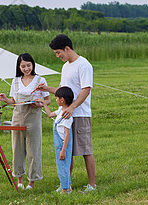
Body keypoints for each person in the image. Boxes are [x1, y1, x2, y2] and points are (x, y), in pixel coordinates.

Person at [36, 34, 96, 192]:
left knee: (85, 150)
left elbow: (86, 89)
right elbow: (62, 90)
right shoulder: (65, 66)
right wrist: (46, 89)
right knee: (66, 150)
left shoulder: (83, 65)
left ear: (67, 48)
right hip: (66, 115)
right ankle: (66, 184)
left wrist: (72, 107)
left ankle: (92, 185)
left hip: (80, 114)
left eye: (58, 52)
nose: (58, 56)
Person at [0, 53, 51, 190]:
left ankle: (31, 181)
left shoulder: (40, 80)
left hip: (33, 118)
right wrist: (5, 99)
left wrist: (39, 104)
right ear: (19, 67)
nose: (26, 68)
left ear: (33, 65)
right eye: (23, 66)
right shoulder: (15, 81)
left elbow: (48, 101)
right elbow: (13, 102)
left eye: (28, 65)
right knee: (17, 149)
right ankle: (19, 180)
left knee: (33, 150)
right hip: (17, 118)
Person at [41, 86, 74, 194]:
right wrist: (44, 104)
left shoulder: (67, 116)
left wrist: (63, 150)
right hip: (59, 145)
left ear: (62, 100)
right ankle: (67, 186)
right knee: (62, 166)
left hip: (63, 145)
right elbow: (50, 114)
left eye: (56, 98)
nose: (55, 100)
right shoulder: (60, 110)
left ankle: (65, 189)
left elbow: (67, 133)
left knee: (63, 167)